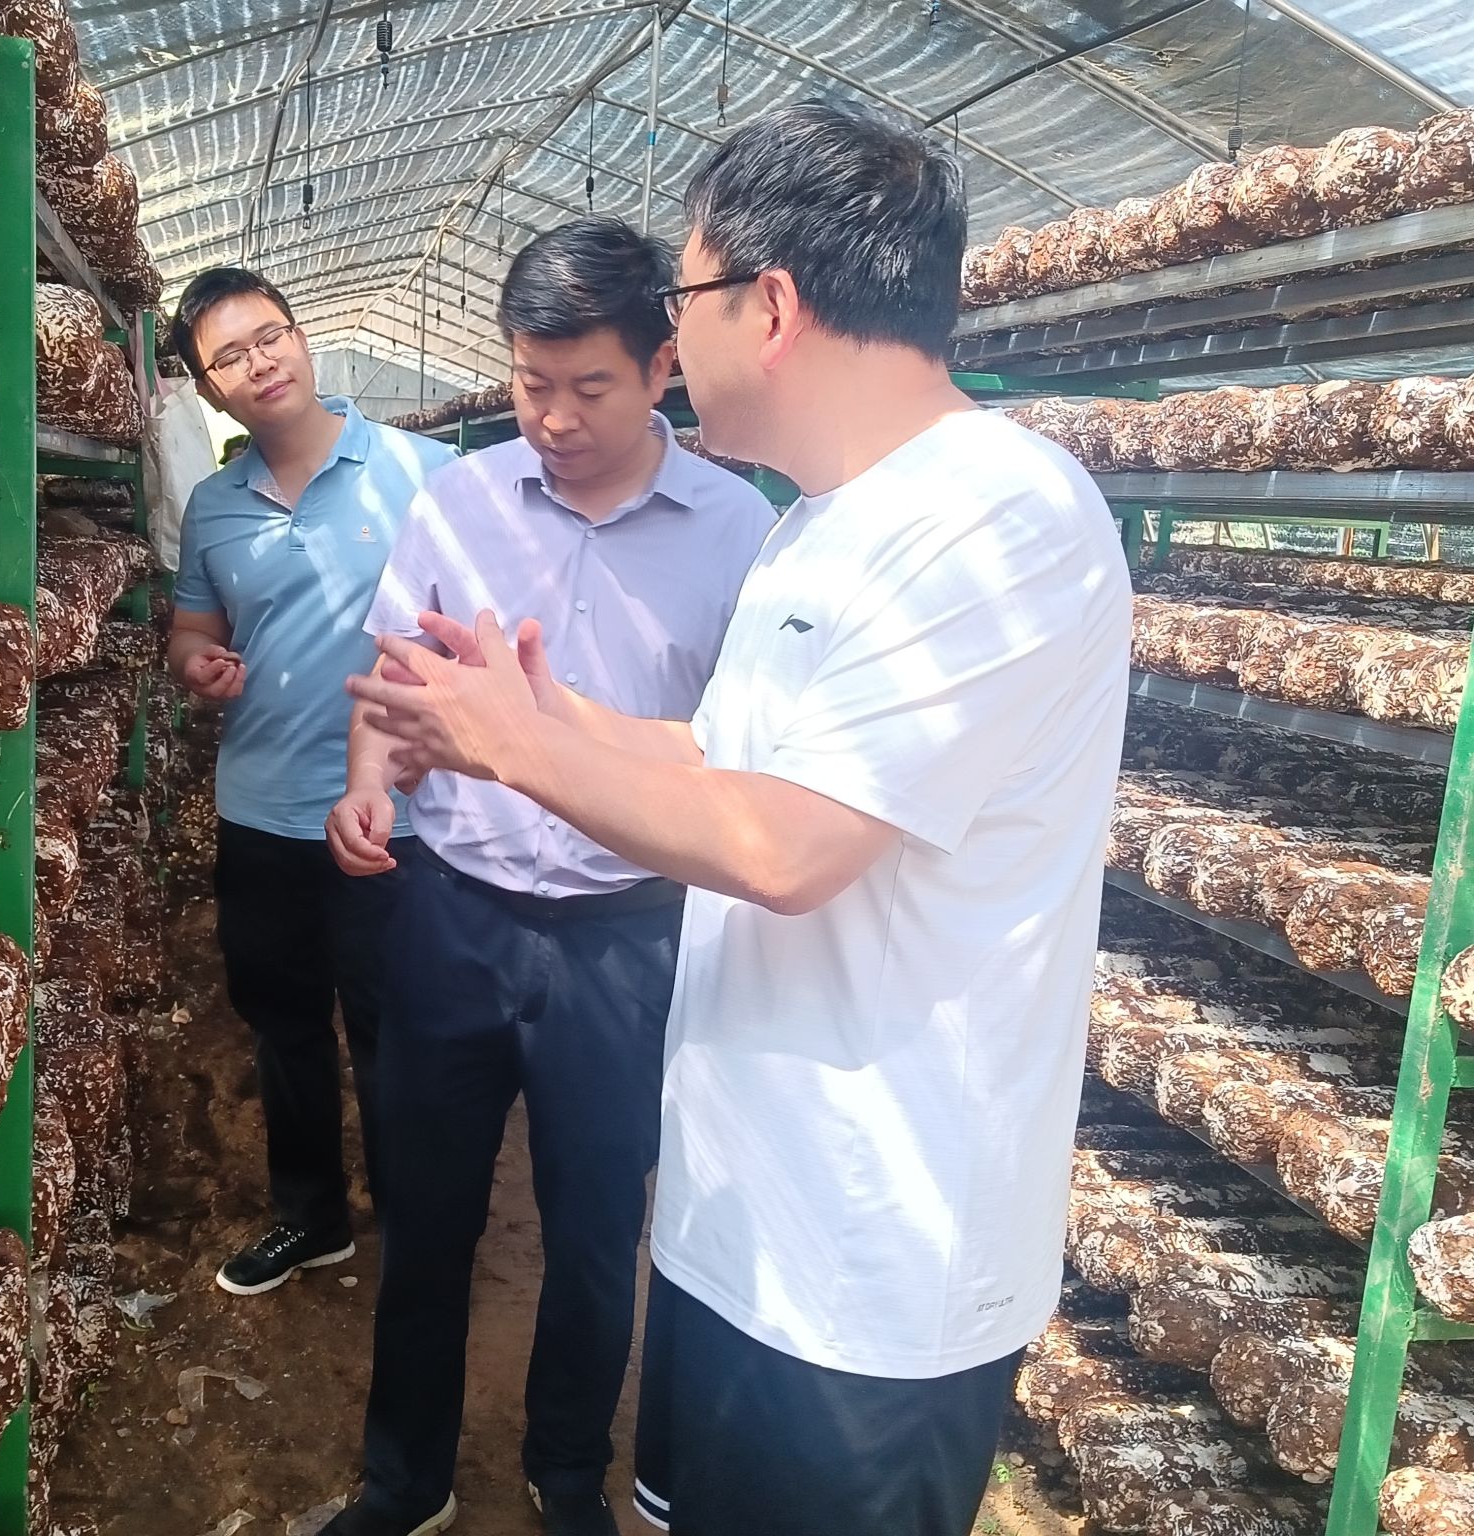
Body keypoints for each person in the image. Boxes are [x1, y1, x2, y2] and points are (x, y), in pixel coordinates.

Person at [348, 104, 1132, 1536]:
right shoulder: (819, 523)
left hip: (870, 1261)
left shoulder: (992, 518)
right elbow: (721, 758)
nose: (675, 330)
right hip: (752, 1221)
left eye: (685, 293)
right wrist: (544, 712)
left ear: (764, 307)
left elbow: (785, 845)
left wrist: (515, 749)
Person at [322, 218, 777, 1536]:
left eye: (589, 387)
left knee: (592, 1222)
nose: (555, 418)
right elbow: (396, 680)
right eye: (531, 383)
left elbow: (743, 753)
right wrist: (369, 784)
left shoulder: (739, 532)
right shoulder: (459, 502)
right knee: (426, 1212)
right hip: (455, 913)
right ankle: (403, 1479)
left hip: (626, 935)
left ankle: (567, 1470)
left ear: (661, 368)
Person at [167, 266, 457, 1297]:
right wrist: (198, 665)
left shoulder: (420, 471)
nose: (259, 363)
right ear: (209, 391)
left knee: (395, 1028)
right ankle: (311, 1217)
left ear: (301, 338)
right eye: (228, 358)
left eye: (269, 336)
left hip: (397, 819)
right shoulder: (213, 507)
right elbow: (192, 628)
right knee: (282, 1023)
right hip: (260, 811)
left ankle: (416, 1223)